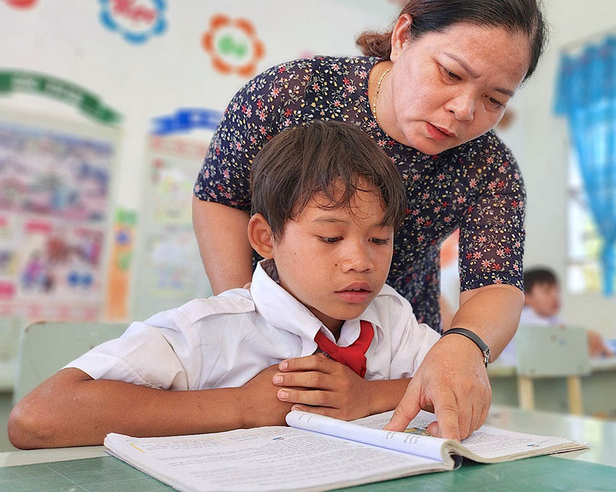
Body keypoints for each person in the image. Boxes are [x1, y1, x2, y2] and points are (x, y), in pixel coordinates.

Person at [190, 0, 547, 441]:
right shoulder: (292, 94)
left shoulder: (488, 166)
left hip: (394, 351)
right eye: (450, 74)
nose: (464, 111)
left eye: (494, 100)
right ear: (403, 37)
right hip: (274, 332)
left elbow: (495, 284)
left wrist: (464, 345)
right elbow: (220, 197)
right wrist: (248, 325)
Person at [8, 122, 440, 449]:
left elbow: (457, 378)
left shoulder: (391, 316)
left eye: (379, 239)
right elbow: (36, 418)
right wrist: (241, 406)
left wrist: (368, 397)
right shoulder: (210, 330)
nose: (360, 261)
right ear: (265, 238)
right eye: (330, 237)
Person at [496, 266, 612, 365]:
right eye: (547, 291)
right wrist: (585, 337)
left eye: (557, 290)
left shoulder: (553, 320)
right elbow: (553, 336)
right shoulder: (523, 319)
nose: (555, 296)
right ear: (525, 296)